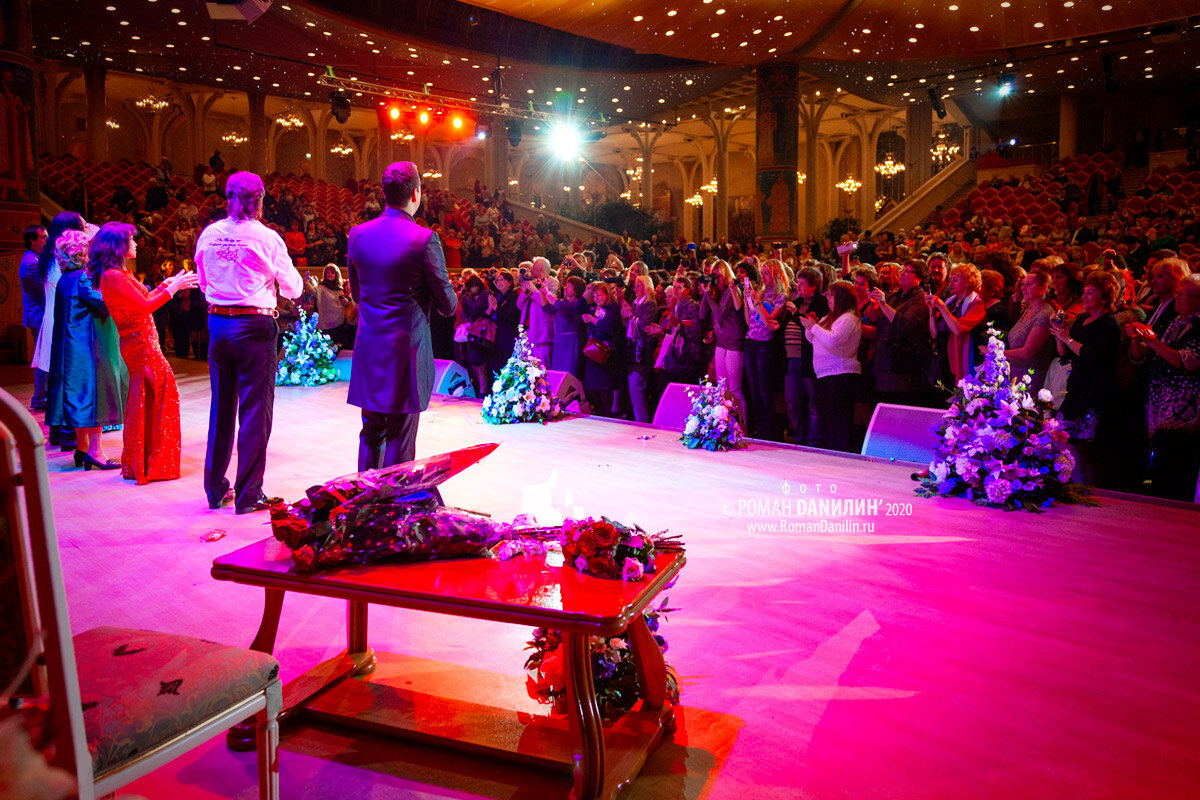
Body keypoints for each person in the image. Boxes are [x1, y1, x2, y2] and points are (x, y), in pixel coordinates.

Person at [195, 171, 303, 514]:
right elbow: (294, 289)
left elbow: (202, 279)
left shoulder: (209, 234)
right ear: (259, 201)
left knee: (221, 409)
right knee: (255, 412)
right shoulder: (266, 238)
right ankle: (248, 494)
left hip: (218, 323)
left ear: (227, 197)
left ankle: (215, 490)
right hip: (254, 326)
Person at [347, 161, 457, 471]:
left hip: (369, 349)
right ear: (416, 194)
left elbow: (358, 295)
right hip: (406, 355)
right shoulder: (424, 239)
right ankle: (393, 512)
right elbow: (447, 305)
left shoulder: (357, 234)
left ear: (384, 194)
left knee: (370, 434)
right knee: (399, 438)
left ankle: (363, 507)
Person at [94, 222, 198, 484]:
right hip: (141, 346)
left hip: (142, 342)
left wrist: (169, 282)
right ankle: (151, 463)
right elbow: (146, 305)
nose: (136, 244)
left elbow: (144, 297)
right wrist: (172, 289)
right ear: (118, 245)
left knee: (150, 399)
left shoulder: (117, 274)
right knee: (156, 397)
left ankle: (144, 459)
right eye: (131, 240)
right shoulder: (114, 276)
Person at [45, 228, 128, 470]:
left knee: (81, 398)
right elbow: (105, 305)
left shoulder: (65, 278)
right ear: (83, 252)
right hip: (88, 348)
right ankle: (95, 451)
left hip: (73, 348)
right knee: (94, 398)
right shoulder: (82, 278)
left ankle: (83, 448)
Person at [1129, 273, 1200, 500]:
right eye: (1177, 292)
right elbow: (1149, 355)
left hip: (1183, 411)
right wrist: (1136, 339)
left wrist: (1152, 341)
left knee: (1177, 469)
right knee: (1161, 462)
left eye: (1183, 294)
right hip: (1161, 406)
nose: (1177, 297)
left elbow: (1187, 360)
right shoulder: (1176, 321)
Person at [1050, 271, 1122, 487]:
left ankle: (1090, 488)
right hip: (1078, 384)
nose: (1085, 297)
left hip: (1097, 388)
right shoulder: (1082, 319)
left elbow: (1092, 355)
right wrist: (1059, 333)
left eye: (1091, 293)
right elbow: (1065, 353)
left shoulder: (1108, 324)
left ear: (1105, 297)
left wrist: (1067, 338)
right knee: (1063, 437)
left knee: (1087, 445)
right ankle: (1076, 483)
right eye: (1084, 292)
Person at [32, 212, 86, 450]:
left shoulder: (50, 257)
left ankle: (58, 430)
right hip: (62, 321)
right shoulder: (63, 259)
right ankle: (66, 431)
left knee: (59, 379)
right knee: (67, 379)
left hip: (53, 318)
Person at [800, 280, 862, 452]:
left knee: (838, 419)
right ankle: (829, 452)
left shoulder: (848, 317)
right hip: (824, 375)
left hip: (841, 373)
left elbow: (833, 340)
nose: (828, 299)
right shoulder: (829, 316)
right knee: (826, 418)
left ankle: (841, 454)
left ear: (841, 297)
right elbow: (813, 338)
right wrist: (810, 326)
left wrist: (814, 326)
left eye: (831, 295)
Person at [870, 259, 934, 406]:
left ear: (918, 277)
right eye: (902, 271)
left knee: (902, 408)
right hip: (886, 364)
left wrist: (883, 304)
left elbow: (905, 324)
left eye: (907, 271)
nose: (903, 274)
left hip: (905, 367)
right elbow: (877, 321)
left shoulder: (921, 299)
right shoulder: (895, 296)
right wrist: (875, 305)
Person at [783, 266, 829, 445]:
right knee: (791, 402)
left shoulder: (821, 303)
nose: (798, 287)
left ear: (814, 286)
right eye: (798, 283)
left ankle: (813, 441)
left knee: (813, 403)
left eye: (802, 284)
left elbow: (811, 326)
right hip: (791, 359)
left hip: (810, 360)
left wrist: (796, 314)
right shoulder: (797, 301)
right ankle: (798, 437)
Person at [19, 224, 48, 410]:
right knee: (43, 357)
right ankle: (39, 398)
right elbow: (45, 289)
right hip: (37, 315)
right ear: (32, 240)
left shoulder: (35, 258)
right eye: (43, 237)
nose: (47, 240)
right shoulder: (32, 262)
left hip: (39, 314)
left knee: (44, 357)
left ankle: (41, 396)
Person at [517, 256, 557, 365]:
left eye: (533, 267)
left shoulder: (552, 283)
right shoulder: (531, 282)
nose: (530, 270)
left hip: (541, 335)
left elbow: (547, 304)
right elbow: (519, 305)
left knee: (542, 369)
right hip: (526, 332)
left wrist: (533, 289)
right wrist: (525, 290)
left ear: (541, 269)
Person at [550, 275, 588, 379]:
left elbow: (564, 308)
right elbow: (547, 308)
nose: (565, 288)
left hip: (570, 341)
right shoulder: (564, 302)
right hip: (559, 341)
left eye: (569, 286)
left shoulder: (577, 304)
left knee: (569, 370)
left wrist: (545, 291)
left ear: (576, 290)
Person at [314, 264, 353, 349]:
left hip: (339, 323)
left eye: (332, 273)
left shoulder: (339, 289)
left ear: (336, 274)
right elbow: (313, 292)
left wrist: (345, 303)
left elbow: (346, 306)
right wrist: (306, 283)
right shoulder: (321, 287)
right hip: (327, 324)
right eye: (327, 273)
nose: (330, 275)